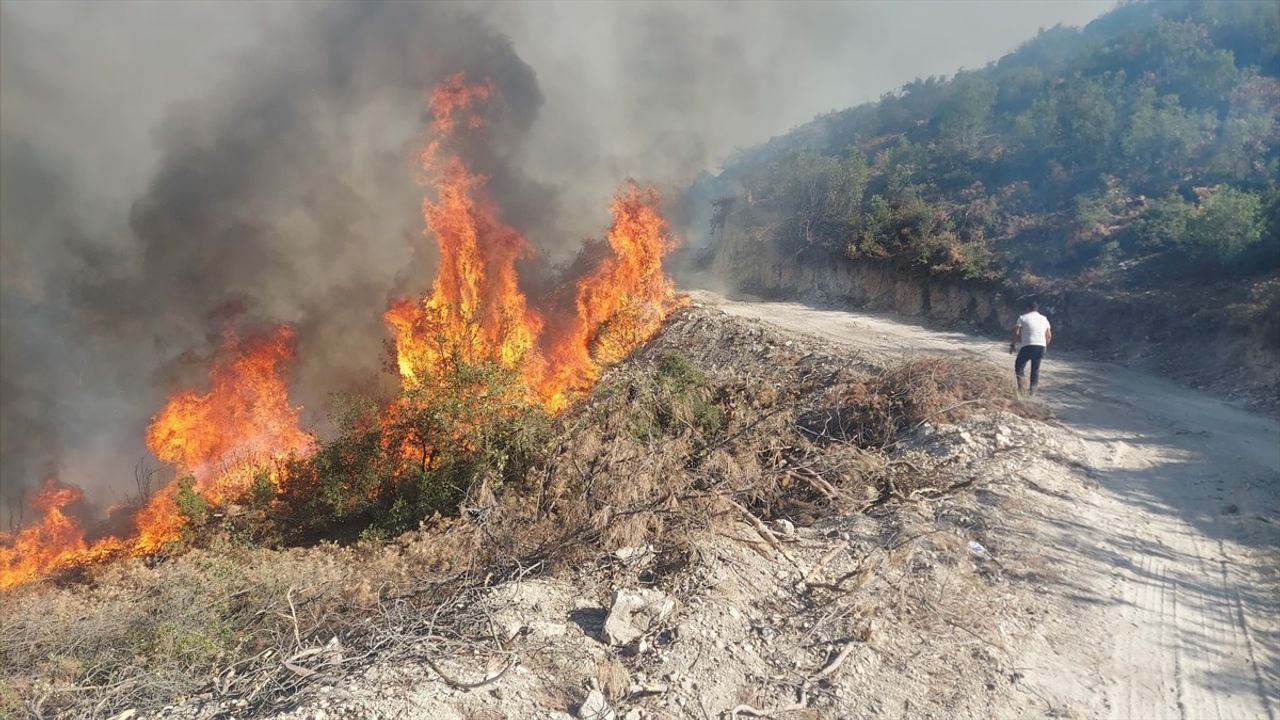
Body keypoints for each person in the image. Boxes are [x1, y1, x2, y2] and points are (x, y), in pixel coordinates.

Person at [1009, 300, 1052, 396]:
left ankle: (1021, 389)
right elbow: (1049, 335)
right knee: (1035, 369)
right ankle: (1032, 392)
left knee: (1019, 366)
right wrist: (1044, 347)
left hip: (1028, 345)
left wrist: (1012, 345)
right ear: (1037, 309)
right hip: (1041, 346)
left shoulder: (1022, 317)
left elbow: (1016, 333)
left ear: (1028, 308)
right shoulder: (1044, 319)